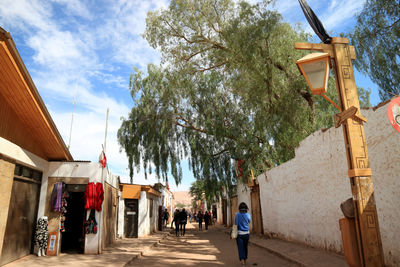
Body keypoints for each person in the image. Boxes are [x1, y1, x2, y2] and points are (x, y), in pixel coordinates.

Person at [235, 202, 251, 266]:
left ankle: (242, 261)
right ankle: (245, 259)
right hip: (246, 234)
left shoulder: (237, 215)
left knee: (240, 248)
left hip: (239, 234)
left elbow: (235, 223)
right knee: (245, 247)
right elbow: (249, 221)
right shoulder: (248, 215)